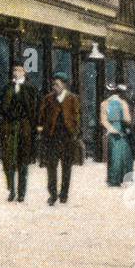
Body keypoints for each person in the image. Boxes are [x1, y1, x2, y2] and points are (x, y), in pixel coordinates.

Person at [36, 71, 80, 206]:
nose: (54, 87)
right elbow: (41, 116)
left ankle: (64, 194)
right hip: (52, 137)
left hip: (67, 137)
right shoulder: (48, 98)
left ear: (64, 85)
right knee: (51, 167)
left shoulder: (72, 98)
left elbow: (77, 116)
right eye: (53, 84)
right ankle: (53, 194)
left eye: (57, 84)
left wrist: (75, 132)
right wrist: (41, 129)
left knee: (67, 167)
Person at [0, 62, 38, 202]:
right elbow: (2, 107)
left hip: (24, 127)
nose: (16, 72)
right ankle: (11, 190)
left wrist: (34, 128)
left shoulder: (30, 88)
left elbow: (34, 109)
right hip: (9, 127)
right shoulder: (7, 87)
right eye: (14, 70)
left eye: (19, 70)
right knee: (9, 159)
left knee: (23, 161)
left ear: (24, 72)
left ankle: (21, 192)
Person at [101, 82, 134, 187]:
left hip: (111, 131)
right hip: (121, 130)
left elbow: (103, 120)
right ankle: (125, 178)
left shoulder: (104, 104)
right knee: (124, 155)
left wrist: (111, 129)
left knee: (113, 155)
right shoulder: (123, 103)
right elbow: (127, 119)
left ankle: (113, 179)